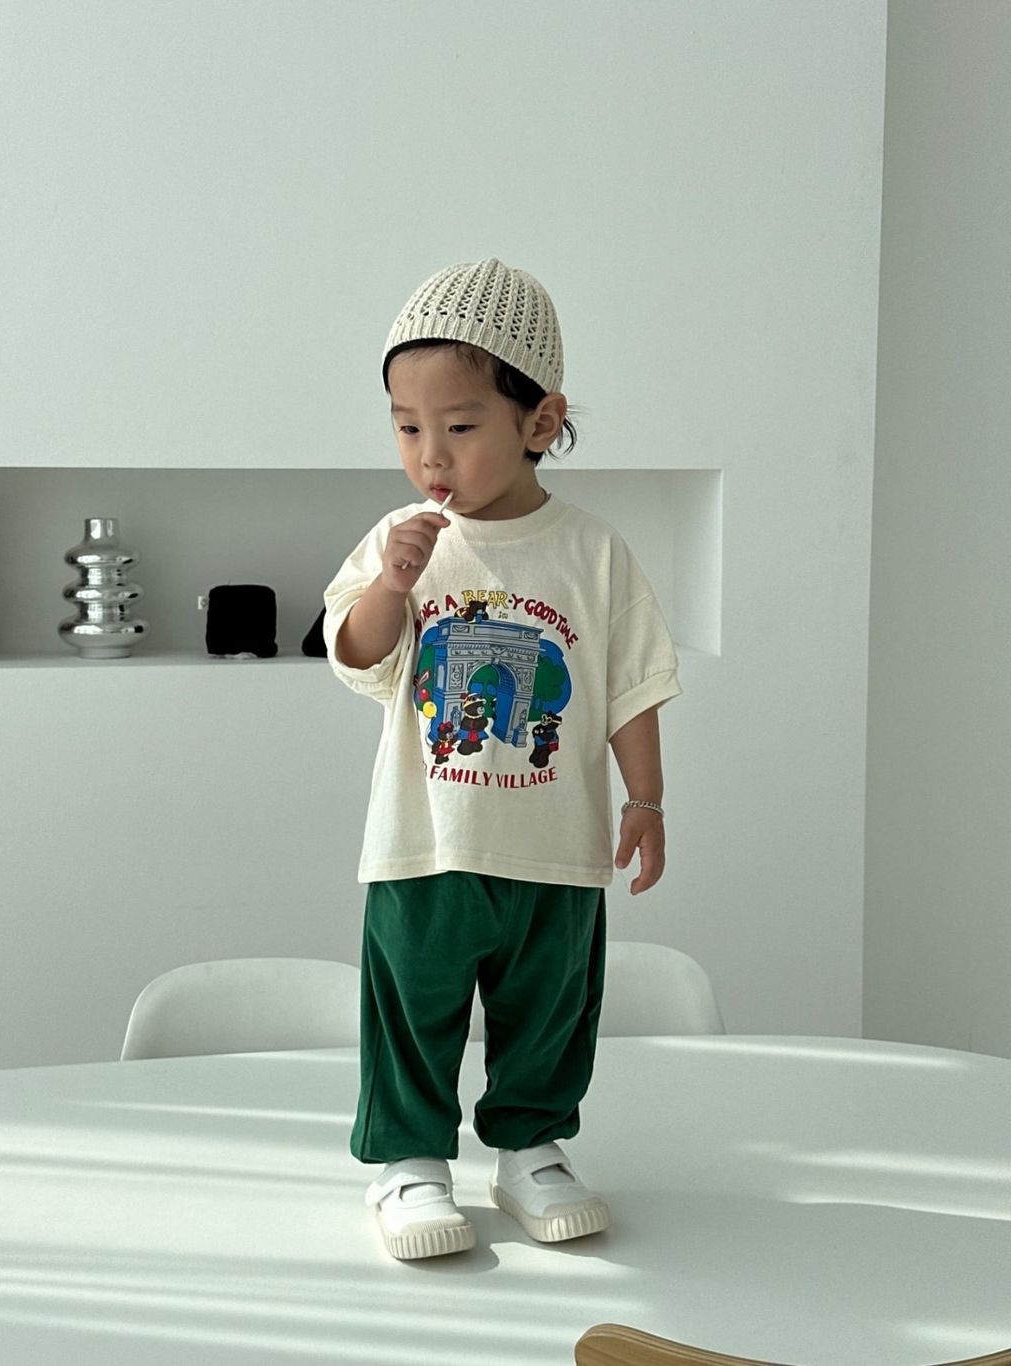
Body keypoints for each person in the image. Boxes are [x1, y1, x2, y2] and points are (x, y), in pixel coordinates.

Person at [322, 257, 682, 1261]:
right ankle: (407, 1162)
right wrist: (391, 588)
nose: (429, 454)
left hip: (554, 846)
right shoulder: (401, 541)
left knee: (550, 1004)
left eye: (458, 425)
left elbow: (632, 683)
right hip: (423, 843)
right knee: (413, 1002)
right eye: (406, 427)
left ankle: (532, 1148)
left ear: (539, 421)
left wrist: (646, 799)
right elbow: (355, 653)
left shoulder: (592, 551)